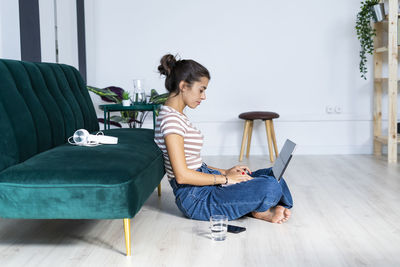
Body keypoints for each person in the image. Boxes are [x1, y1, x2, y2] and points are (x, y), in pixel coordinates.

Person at [154, 54, 293, 223]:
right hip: (196, 198)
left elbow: (196, 165)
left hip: (204, 182)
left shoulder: (176, 116)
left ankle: (260, 205)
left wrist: (226, 171)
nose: (203, 96)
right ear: (183, 86)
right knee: (270, 185)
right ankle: (261, 209)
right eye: (201, 89)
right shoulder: (171, 121)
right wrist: (227, 179)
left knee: (272, 174)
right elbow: (182, 176)